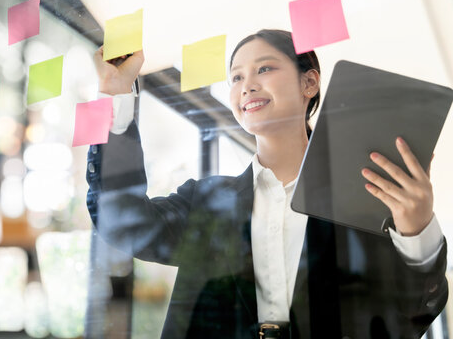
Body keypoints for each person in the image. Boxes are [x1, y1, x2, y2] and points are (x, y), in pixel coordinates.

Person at [86, 29, 448, 338]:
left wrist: (418, 231)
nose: (247, 86)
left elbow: (411, 314)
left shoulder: (362, 200)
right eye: (236, 77)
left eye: (264, 68)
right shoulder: (206, 200)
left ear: (309, 82)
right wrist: (115, 98)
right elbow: (123, 223)